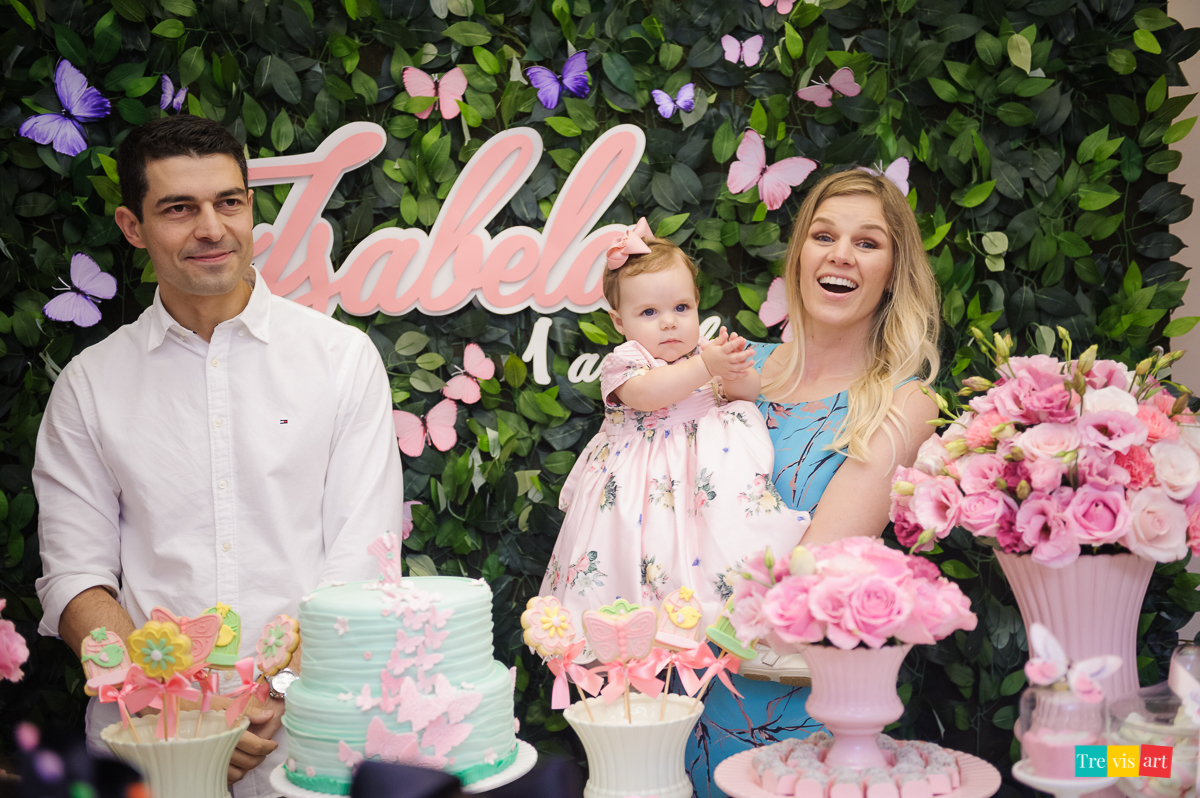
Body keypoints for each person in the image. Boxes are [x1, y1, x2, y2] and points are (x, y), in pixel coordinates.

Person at [33, 115, 405, 797]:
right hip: (147, 742)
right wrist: (169, 709)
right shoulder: (89, 385)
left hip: (312, 738)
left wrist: (274, 694)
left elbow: (363, 563)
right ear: (132, 226)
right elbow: (74, 581)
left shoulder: (340, 359)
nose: (211, 228)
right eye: (179, 208)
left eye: (228, 202)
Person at [685, 170, 942, 796]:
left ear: (893, 272)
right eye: (823, 235)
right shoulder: (734, 368)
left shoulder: (902, 405)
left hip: (791, 716)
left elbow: (808, 566)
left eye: (868, 243)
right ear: (799, 255)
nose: (841, 255)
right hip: (672, 694)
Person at [540, 219, 810, 640]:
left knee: (713, 548)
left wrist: (735, 369)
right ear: (618, 321)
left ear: (697, 305)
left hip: (705, 485)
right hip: (640, 490)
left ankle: (717, 619)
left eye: (681, 308)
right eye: (649, 312)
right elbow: (649, 395)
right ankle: (640, 633)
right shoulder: (625, 362)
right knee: (644, 557)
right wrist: (705, 366)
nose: (669, 322)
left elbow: (745, 396)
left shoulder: (703, 353)